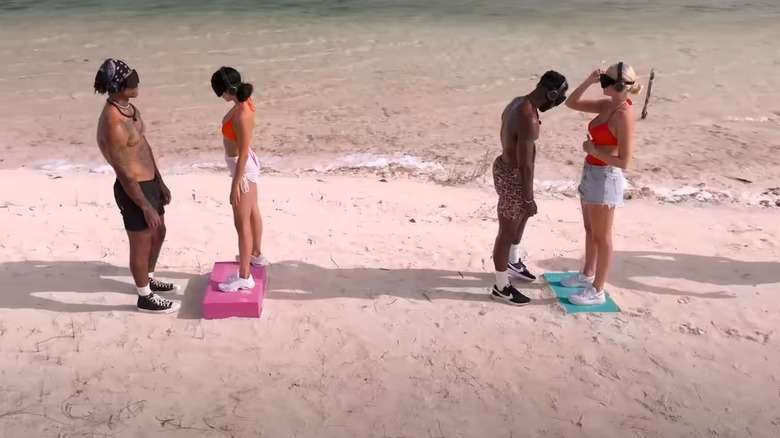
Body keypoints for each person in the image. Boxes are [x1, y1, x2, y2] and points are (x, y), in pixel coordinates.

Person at [94, 58, 181, 314]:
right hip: (133, 189)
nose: (137, 83)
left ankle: (148, 278)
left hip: (150, 182)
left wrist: (159, 180)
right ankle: (144, 297)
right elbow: (122, 169)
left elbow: (143, 145)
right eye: (131, 80)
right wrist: (144, 205)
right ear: (119, 86)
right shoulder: (113, 122)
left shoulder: (130, 108)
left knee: (159, 232)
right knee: (141, 243)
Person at [562, 62, 642, 306]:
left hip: (606, 176)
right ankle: (587, 275)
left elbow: (624, 161)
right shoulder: (609, 105)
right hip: (592, 172)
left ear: (618, 85)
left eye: (606, 81)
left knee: (602, 237)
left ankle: (597, 290)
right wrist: (589, 80)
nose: (602, 84)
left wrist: (593, 149)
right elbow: (571, 103)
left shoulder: (623, 115)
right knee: (590, 230)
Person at [491, 70, 569, 306]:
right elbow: (525, 165)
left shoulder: (518, 102)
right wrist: (528, 197)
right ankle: (501, 286)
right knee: (506, 232)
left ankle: (513, 262)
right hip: (514, 176)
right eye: (557, 100)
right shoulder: (529, 118)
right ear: (552, 93)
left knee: (521, 217)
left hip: (504, 167)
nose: (555, 105)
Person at [210, 66, 268, 292]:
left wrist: (236, 183)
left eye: (221, 92)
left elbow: (242, 151)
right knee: (252, 211)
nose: (221, 97)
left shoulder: (242, 113)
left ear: (229, 90)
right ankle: (255, 255)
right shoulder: (245, 103)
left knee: (241, 222)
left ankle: (244, 276)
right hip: (247, 164)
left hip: (242, 167)